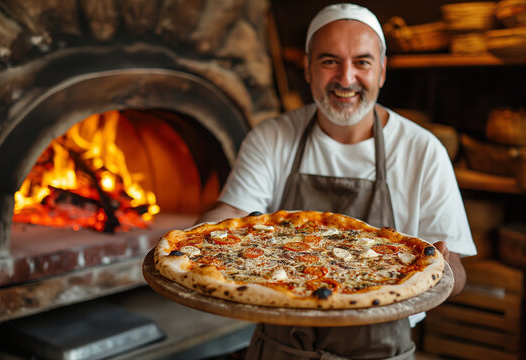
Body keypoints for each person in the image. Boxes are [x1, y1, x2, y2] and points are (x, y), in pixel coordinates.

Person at [197, 3, 477, 359]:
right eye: (330, 61)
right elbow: (230, 213)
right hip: (280, 348)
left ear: (382, 72)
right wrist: (201, 239)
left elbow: (459, 275)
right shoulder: (272, 137)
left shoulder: (422, 150)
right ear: (308, 68)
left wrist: (442, 266)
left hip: (380, 351)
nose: (346, 78)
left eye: (362, 62)